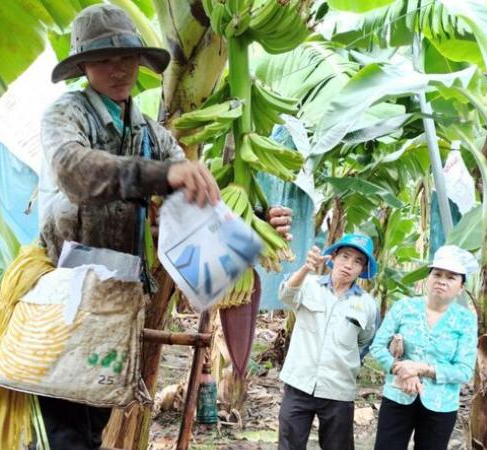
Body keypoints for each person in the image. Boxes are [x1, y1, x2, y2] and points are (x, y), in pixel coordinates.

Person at [38, 4, 292, 448]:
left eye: (127, 57)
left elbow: (193, 197)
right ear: (83, 66)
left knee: (93, 417)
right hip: (66, 290)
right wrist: (158, 176)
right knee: (63, 425)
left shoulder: (151, 133)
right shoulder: (67, 115)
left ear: (140, 61)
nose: (118, 69)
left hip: (117, 296)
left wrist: (254, 221)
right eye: (103, 59)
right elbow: (74, 169)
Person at [370, 245, 479, 450]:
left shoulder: (465, 320)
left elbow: (464, 370)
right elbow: (377, 347)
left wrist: (422, 369)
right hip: (398, 396)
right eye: (437, 274)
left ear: (461, 287)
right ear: (428, 278)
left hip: (441, 404)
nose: (442, 281)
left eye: (451, 277)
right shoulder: (404, 307)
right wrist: (401, 370)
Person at [278, 233, 380, 450]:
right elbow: (286, 295)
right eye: (345, 256)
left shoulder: (368, 305)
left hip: (338, 389)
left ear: (363, 269)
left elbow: (365, 342)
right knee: (289, 446)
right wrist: (306, 267)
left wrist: (344, 361)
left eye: (358, 261)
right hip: (299, 382)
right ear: (333, 257)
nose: (349, 265)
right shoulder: (308, 284)